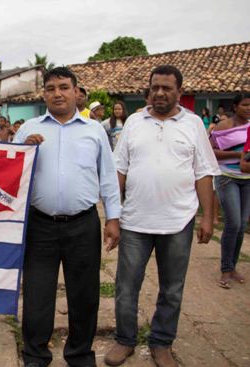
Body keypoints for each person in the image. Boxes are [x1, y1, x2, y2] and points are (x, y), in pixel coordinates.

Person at [105, 65, 219, 367]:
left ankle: (161, 342)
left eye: (167, 88)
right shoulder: (133, 122)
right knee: (126, 286)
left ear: (179, 92)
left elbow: (204, 172)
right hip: (135, 222)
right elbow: (119, 170)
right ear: (149, 89)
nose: (159, 92)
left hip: (178, 222)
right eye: (155, 87)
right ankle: (125, 340)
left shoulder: (194, 124)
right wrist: (112, 217)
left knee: (172, 287)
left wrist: (207, 217)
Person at [13, 66, 121, 367]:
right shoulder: (29, 129)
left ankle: (80, 355)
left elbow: (108, 177)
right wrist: (23, 150)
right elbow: (9, 172)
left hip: (83, 224)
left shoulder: (94, 130)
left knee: (84, 295)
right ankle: (35, 356)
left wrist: (113, 219)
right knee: (37, 296)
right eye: (51, 88)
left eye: (64, 87)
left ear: (77, 92)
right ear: (44, 94)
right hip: (39, 225)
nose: (57, 93)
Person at [210, 93, 250, 289]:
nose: (248, 108)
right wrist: (237, 154)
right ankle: (226, 269)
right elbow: (210, 151)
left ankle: (233, 266)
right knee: (233, 223)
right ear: (235, 107)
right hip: (227, 177)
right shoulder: (223, 127)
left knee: (241, 224)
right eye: (244, 105)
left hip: (248, 179)